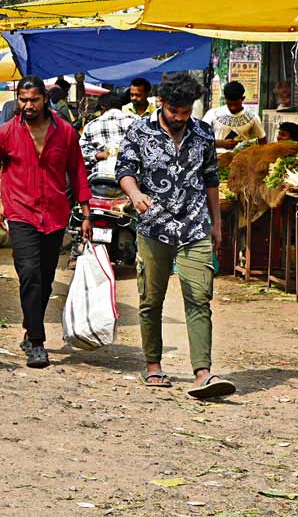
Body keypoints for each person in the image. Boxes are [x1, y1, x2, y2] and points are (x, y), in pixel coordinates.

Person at [116, 73, 234, 399]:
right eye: (174, 111)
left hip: (195, 226)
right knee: (151, 299)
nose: (180, 118)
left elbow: (211, 178)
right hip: (153, 226)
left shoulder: (203, 133)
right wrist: (135, 193)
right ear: (161, 104)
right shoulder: (140, 131)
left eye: (186, 112)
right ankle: (153, 366)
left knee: (199, 297)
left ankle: (203, 373)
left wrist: (217, 223)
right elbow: (124, 170)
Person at [0, 75, 92, 369]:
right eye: (23, 100)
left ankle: (30, 330)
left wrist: (85, 212)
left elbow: (78, 172)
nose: (28, 106)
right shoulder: (5, 133)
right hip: (20, 212)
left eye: (33, 100)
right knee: (29, 273)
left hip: (55, 214)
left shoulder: (66, 132)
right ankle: (37, 342)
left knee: (44, 279)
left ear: (45, 98)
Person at [79, 92, 138, 170]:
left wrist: (101, 155)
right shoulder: (136, 121)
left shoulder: (91, 126)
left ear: (102, 107)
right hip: (131, 173)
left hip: (101, 174)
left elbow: (82, 152)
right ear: (120, 106)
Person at [202, 81, 266, 151]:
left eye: (236, 104)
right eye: (230, 104)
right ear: (225, 99)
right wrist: (220, 143)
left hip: (242, 159)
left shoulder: (253, 117)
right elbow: (200, 138)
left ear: (243, 99)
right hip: (218, 159)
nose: (233, 108)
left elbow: (262, 140)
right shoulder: (212, 114)